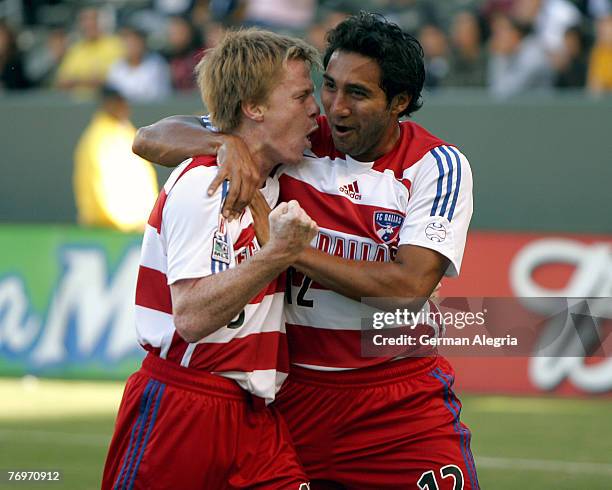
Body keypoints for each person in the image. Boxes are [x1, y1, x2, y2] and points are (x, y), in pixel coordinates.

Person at [133, 12, 478, 489]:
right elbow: (149, 136)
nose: (333, 108)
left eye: (357, 94)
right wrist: (221, 141)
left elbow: (406, 288)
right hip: (294, 396)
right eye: (328, 86)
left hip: (397, 402)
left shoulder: (436, 166)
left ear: (399, 102)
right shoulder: (296, 138)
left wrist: (289, 251)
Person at [102, 28, 320, 490]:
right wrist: (277, 254)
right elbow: (192, 315)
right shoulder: (203, 184)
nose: (315, 109)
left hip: (256, 415)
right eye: (301, 96)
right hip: (183, 403)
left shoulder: (279, 169)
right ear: (254, 108)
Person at [73, 86, 158, 232]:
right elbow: (101, 185)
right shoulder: (99, 138)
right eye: (120, 102)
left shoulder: (123, 130)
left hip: (134, 225)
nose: (125, 107)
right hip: (111, 229)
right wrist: (127, 223)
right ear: (109, 104)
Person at [55, 7, 123, 95]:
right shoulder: (76, 49)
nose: (88, 24)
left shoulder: (115, 45)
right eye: (84, 20)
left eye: (93, 19)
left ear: (102, 22)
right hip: (76, 105)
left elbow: (114, 80)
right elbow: (62, 82)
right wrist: (89, 80)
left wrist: (76, 81)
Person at [107, 26, 172, 102]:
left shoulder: (157, 64)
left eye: (135, 41)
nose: (132, 46)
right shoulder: (116, 67)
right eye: (128, 42)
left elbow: (159, 97)